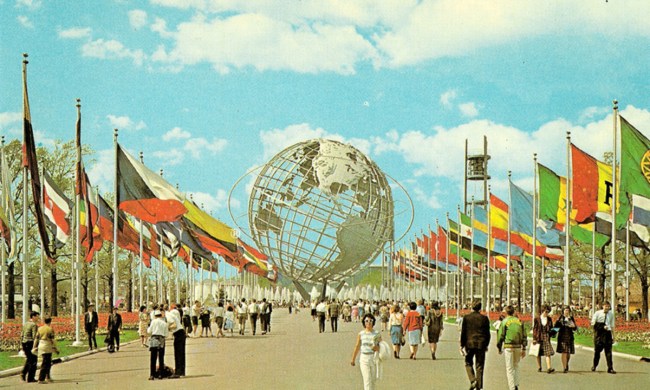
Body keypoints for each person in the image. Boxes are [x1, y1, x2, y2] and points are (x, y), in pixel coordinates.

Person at [460, 299, 490, 390]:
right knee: (480, 365)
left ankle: (473, 380)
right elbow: (487, 333)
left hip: (469, 344)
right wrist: (486, 344)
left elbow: (463, 332)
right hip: (481, 344)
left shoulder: (466, 317)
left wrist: (462, 344)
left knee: (468, 362)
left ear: (472, 307)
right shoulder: (484, 318)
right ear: (480, 308)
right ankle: (479, 386)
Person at [496, 305, 527, 390]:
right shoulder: (519, 321)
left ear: (506, 313)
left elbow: (501, 335)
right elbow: (524, 335)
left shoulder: (505, 321)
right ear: (513, 312)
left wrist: (499, 347)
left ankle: (512, 387)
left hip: (508, 346)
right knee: (516, 365)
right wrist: (524, 348)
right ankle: (516, 384)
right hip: (518, 346)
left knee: (509, 368)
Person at [350, 313, 381, 390]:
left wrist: (376, 348)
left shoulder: (377, 334)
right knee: (367, 380)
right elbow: (357, 346)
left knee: (373, 380)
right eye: (366, 321)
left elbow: (381, 346)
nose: (369, 322)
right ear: (364, 322)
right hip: (364, 358)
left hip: (374, 357)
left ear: (373, 322)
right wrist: (353, 359)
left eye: (371, 320)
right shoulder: (361, 334)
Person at [591, 301, 616, 374]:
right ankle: (594, 365)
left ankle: (610, 368)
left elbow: (612, 326)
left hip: (607, 334)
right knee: (597, 352)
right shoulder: (597, 313)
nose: (607, 308)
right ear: (603, 306)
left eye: (608, 306)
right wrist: (602, 326)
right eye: (606, 306)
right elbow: (593, 324)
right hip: (599, 334)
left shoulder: (611, 314)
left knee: (608, 352)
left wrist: (614, 337)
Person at [34, 316, 59, 384]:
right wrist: (55, 348)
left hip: (41, 345)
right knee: (45, 363)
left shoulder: (40, 328)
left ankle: (48, 377)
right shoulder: (50, 329)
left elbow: (36, 338)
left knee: (47, 362)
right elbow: (52, 339)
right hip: (47, 345)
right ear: (50, 321)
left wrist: (34, 347)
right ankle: (41, 378)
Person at [532, 305, 555, 373]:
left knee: (548, 353)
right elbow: (535, 329)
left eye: (548, 312)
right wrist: (534, 338)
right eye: (546, 311)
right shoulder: (537, 319)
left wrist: (554, 332)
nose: (547, 313)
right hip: (539, 337)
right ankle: (539, 367)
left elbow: (551, 328)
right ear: (542, 311)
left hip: (546, 337)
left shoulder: (549, 319)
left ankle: (549, 368)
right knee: (538, 353)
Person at [555, 306, 577, 373]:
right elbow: (556, 327)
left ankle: (566, 363)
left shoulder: (571, 318)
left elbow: (575, 328)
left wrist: (573, 326)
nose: (567, 312)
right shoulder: (560, 318)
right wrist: (552, 333)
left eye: (568, 310)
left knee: (568, 353)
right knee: (564, 352)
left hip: (569, 337)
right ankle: (564, 367)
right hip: (562, 337)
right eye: (565, 310)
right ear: (563, 311)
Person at [147, 310, 168, 380]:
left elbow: (149, 331)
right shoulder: (164, 323)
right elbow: (166, 334)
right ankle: (160, 374)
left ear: (155, 316)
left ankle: (152, 374)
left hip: (154, 338)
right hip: (161, 339)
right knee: (161, 357)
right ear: (161, 315)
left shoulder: (153, 321)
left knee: (153, 358)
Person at [167, 303, 185, 377]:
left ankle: (178, 372)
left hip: (178, 333)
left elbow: (174, 325)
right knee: (181, 353)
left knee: (178, 353)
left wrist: (167, 328)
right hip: (180, 332)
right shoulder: (171, 314)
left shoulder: (168, 316)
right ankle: (181, 371)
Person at [20, 311, 39, 383]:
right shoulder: (34, 325)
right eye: (37, 316)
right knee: (34, 360)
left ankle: (23, 373)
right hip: (30, 343)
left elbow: (22, 334)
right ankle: (30, 378)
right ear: (33, 317)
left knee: (29, 359)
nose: (38, 318)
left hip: (24, 343)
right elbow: (35, 336)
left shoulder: (26, 324)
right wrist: (36, 346)